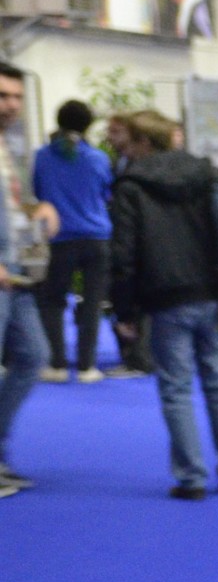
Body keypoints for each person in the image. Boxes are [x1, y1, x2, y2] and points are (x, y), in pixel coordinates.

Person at [106, 110, 218, 500]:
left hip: (166, 295)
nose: (123, 148)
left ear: (144, 143)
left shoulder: (131, 186)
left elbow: (124, 255)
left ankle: (192, 477)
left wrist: (124, 311)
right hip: (214, 290)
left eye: (128, 141)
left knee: (176, 388)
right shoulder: (207, 174)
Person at [29, 97, 114, 383]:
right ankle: (88, 366)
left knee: (53, 301)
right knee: (92, 302)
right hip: (97, 237)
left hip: (60, 238)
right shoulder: (99, 158)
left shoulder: (42, 156)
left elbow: (39, 193)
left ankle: (57, 364)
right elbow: (106, 192)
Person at [0, 62, 54, 494]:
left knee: (33, 355)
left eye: (16, 96)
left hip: (15, 273)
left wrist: (38, 209)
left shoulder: (8, 145)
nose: (11, 105)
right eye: (3, 96)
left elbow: (15, 202)